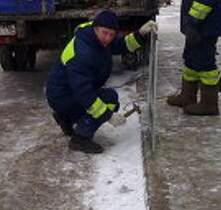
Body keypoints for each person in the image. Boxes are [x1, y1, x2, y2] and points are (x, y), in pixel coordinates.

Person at [45, 10, 158, 154]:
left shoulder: (96, 39)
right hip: (62, 95)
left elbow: (122, 45)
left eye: (111, 34)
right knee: (109, 100)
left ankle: (66, 117)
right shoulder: (83, 53)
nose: (108, 38)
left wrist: (140, 34)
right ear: (95, 28)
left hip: (66, 91)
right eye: (105, 33)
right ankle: (80, 138)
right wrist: (108, 116)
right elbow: (84, 94)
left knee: (100, 100)